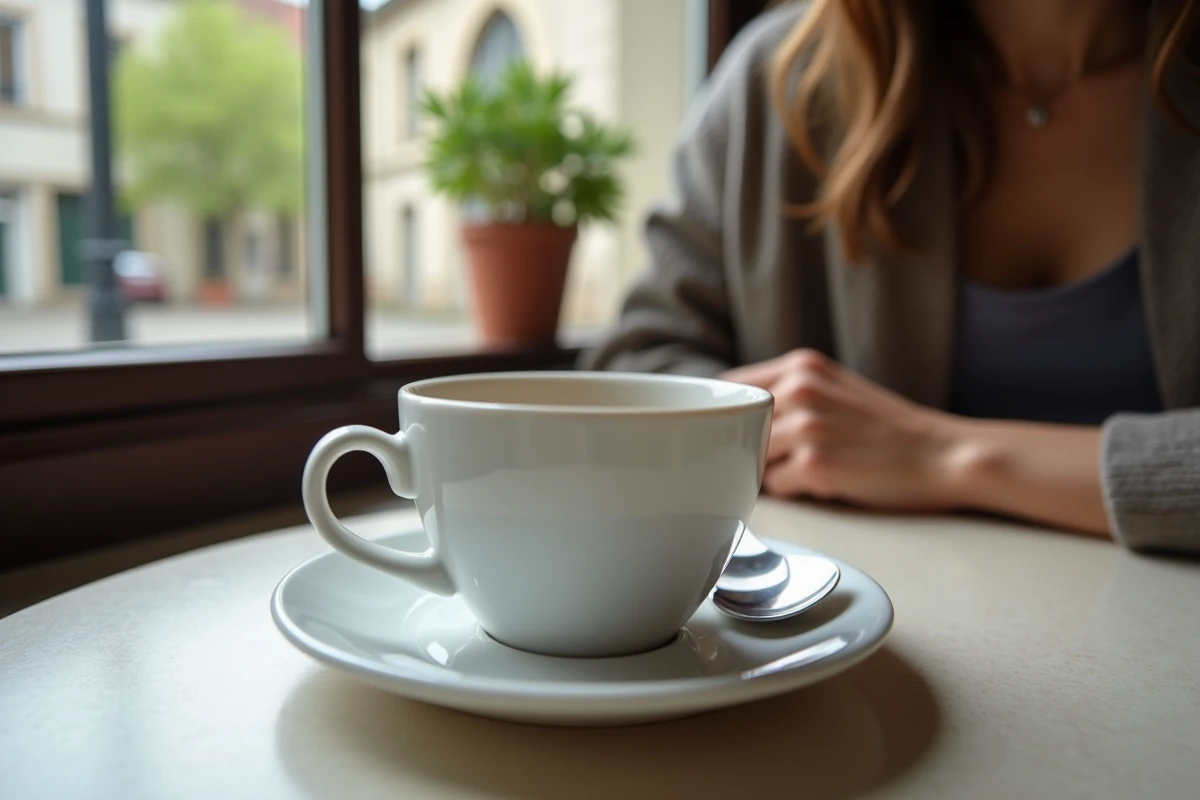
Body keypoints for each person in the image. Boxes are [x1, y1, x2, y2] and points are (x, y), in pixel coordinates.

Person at [580, 0, 1200, 554]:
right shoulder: (782, 84)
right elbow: (632, 372)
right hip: (874, 640)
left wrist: (941, 455)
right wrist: (767, 421)